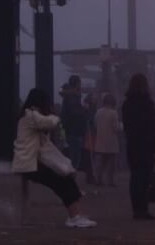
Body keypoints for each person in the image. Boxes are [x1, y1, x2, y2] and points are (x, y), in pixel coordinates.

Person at [14, 87, 95, 228]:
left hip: (33, 162)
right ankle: (74, 216)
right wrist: (54, 115)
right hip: (30, 164)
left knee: (64, 179)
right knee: (61, 181)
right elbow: (50, 122)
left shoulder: (28, 115)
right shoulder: (31, 115)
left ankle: (75, 213)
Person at [120, 72, 155, 221]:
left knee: (135, 177)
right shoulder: (147, 103)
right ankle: (143, 209)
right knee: (144, 179)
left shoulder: (126, 104)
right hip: (147, 146)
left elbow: (126, 127)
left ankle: (136, 209)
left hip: (132, 145)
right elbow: (153, 127)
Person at [90, 91, 121, 187]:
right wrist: (122, 126)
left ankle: (98, 180)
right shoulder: (114, 113)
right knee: (111, 164)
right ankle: (110, 181)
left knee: (99, 163)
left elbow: (95, 124)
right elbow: (116, 128)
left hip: (100, 140)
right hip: (111, 141)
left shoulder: (98, 112)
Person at [59, 75, 88, 173]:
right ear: (77, 83)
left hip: (68, 128)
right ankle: (70, 175)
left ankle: (69, 174)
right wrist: (84, 110)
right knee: (74, 156)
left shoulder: (70, 95)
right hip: (74, 128)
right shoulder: (73, 96)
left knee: (71, 153)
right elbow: (74, 111)